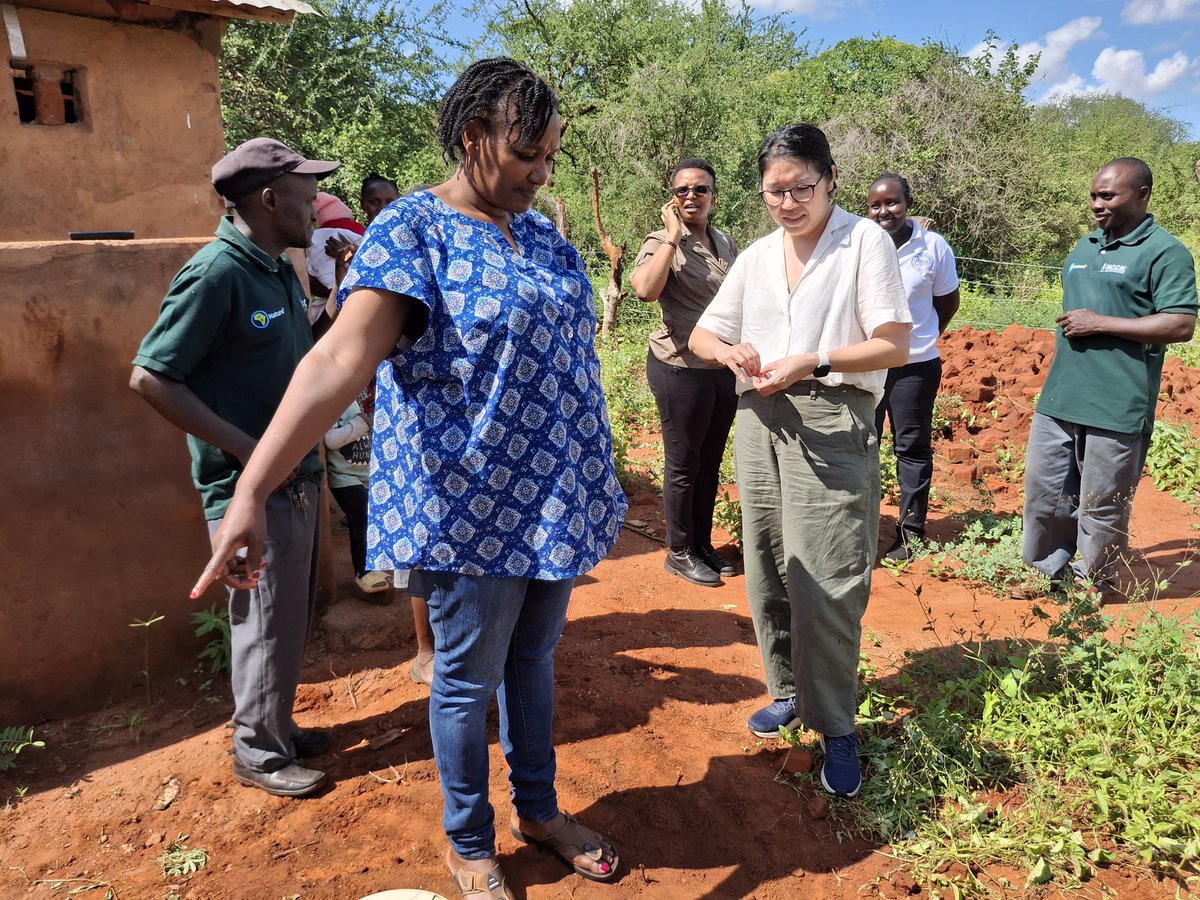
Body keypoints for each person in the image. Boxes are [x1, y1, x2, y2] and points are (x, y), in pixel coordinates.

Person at [190, 59, 625, 899]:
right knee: (466, 680)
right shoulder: (413, 231)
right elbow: (339, 359)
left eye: (552, 157)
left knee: (534, 661)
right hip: (470, 505)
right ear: (473, 138)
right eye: (527, 152)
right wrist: (250, 490)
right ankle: (469, 842)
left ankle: (538, 809)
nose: (541, 172)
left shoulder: (537, 232)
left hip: (553, 500)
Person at [689, 123, 911, 798]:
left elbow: (893, 344)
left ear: (830, 179)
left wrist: (815, 358)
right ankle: (787, 690)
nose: (788, 203)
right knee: (770, 564)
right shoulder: (757, 257)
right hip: (760, 417)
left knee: (830, 578)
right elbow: (704, 331)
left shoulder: (863, 242)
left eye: (800, 189)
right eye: (773, 192)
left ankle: (836, 725)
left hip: (829, 416)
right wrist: (724, 353)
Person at [130, 137, 340, 798]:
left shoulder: (277, 269)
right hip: (249, 490)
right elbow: (151, 377)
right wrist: (250, 454)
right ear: (269, 199)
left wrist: (344, 304)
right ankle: (258, 753)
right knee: (262, 624)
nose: (317, 206)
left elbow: (303, 355)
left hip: (297, 478)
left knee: (287, 622)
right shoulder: (218, 273)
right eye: (307, 195)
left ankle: (274, 726)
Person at [1020, 157, 1197, 595]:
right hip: (1061, 397)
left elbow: (1180, 324)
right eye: (1094, 195)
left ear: (1142, 194)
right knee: (1047, 494)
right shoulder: (1084, 247)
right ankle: (1048, 574)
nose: (1097, 204)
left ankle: (1095, 581)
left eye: (1108, 195)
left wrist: (1100, 323)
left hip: (1117, 402)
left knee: (1102, 504)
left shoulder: (1165, 252)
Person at [631, 157, 739, 587]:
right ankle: (679, 551)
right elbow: (644, 289)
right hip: (679, 366)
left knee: (709, 461)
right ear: (672, 198)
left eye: (700, 189)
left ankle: (700, 544)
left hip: (721, 366)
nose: (691, 196)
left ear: (713, 195)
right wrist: (673, 237)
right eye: (683, 190)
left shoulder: (725, 242)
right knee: (683, 462)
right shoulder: (660, 239)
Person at [866, 173, 960, 561]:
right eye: (875, 205)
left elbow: (947, 302)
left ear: (907, 203)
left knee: (911, 447)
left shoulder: (933, 247)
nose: (884, 211)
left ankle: (911, 532)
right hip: (868, 364)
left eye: (892, 203)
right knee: (861, 443)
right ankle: (862, 525)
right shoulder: (862, 244)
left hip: (915, 365)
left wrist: (920, 338)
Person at [324, 395, 391, 596]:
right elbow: (330, 439)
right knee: (362, 520)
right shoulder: (332, 400)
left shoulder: (360, 397)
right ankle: (364, 571)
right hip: (344, 478)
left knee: (371, 521)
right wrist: (363, 422)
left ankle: (373, 567)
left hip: (366, 475)